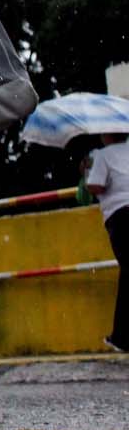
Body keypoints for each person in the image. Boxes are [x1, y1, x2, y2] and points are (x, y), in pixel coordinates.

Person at [86, 134, 129, 352]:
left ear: (107, 134)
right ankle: (121, 336)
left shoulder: (102, 155)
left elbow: (95, 186)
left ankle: (122, 336)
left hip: (121, 217)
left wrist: (86, 171)